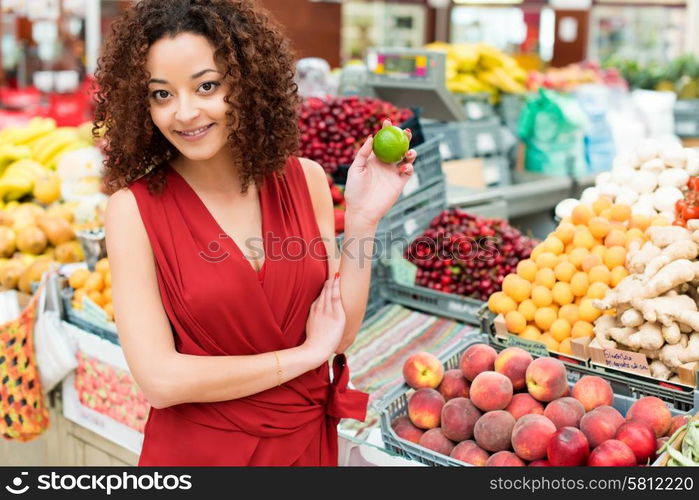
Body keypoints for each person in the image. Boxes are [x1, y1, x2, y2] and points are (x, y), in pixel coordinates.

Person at [96, 0, 416, 466]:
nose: (184, 113)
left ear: (246, 84)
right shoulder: (132, 211)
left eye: (207, 86)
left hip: (306, 447)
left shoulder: (306, 181)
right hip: (200, 454)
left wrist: (365, 219)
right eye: (161, 94)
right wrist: (306, 358)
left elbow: (337, 334)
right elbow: (160, 382)